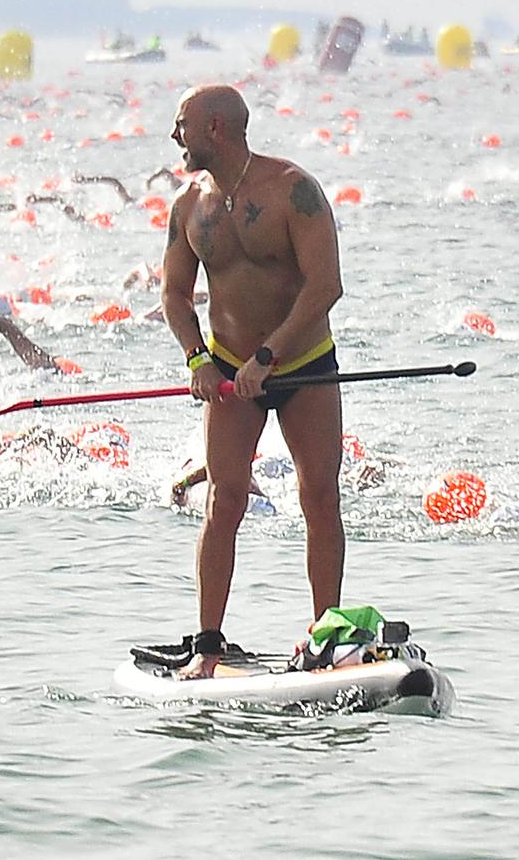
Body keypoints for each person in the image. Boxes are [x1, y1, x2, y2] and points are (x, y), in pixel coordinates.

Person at [162, 84, 344, 678]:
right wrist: (198, 361)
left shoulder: (295, 189)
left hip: (302, 364)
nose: (174, 135)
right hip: (227, 372)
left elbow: (325, 288)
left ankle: (326, 636)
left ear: (215, 127)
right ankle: (208, 647)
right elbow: (173, 295)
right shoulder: (189, 206)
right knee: (225, 500)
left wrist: (267, 357)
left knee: (319, 496)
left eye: (181, 123)